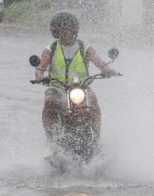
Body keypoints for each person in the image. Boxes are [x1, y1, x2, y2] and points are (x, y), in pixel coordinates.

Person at [35, 11, 117, 158]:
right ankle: (50, 143)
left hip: (82, 87)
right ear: (55, 32)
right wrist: (40, 75)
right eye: (59, 30)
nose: (64, 33)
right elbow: (41, 66)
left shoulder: (85, 48)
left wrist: (107, 70)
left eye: (67, 29)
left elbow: (98, 61)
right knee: (49, 102)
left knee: (93, 100)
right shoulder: (50, 49)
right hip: (57, 87)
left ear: (74, 30)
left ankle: (97, 138)